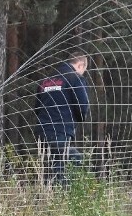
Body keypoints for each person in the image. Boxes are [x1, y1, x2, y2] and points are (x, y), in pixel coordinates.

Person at [35, 52, 90, 185]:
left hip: (42, 132)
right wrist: (78, 120)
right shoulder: (75, 78)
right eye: (84, 70)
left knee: (50, 167)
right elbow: (83, 106)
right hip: (61, 130)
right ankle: (64, 199)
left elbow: (37, 107)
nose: (83, 73)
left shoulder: (46, 79)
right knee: (70, 163)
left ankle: (45, 197)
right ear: (80, 65)